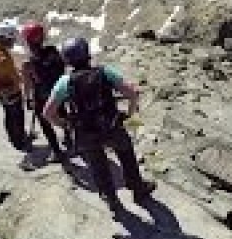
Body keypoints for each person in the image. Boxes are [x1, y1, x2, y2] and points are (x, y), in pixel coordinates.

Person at [43, 37, 156, 213]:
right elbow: (133, 93)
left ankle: (112, 200)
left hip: (85, 132)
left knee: (98, 166)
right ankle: (137, 188)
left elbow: (47, 113)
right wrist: (130, 117)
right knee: (126, 153)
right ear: (87, 54)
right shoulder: (105, 72)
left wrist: (64, 124)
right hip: (111, 126)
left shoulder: (65, 82)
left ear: (67, 59)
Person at [19, 21, 70, 164]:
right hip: (59, 91)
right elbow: (63, 69)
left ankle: (57, 151)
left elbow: (27, 83)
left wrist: (28, 99)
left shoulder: (28, 63)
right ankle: (69, 138)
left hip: (41, 96)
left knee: (46, 123)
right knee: (62, 113)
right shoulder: (53, 51)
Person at [0, 23, 33, 150]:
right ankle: (20, 141)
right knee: (17, 115)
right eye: (11, 39)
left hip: (0, 91)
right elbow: (11, 76)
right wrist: (22, 79)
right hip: (10, 91)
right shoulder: (2, 57)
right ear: (5, 39)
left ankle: (14, 137)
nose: (13, 41)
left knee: (9, 115)